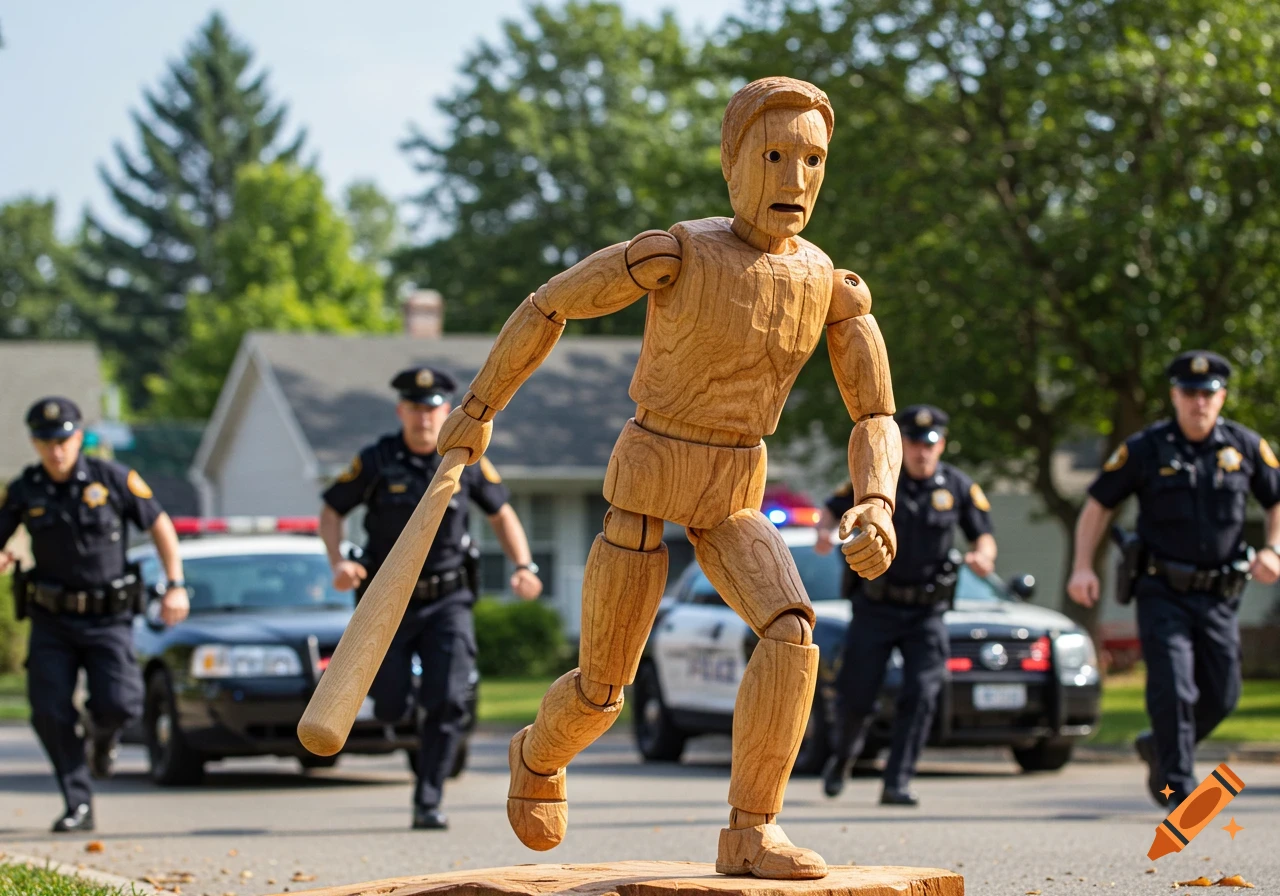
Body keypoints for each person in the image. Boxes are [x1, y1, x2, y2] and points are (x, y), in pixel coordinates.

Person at [431, 76, 901, 880]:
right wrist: (478, 408)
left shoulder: (831, 286)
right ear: (732, 162)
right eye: (775, 155)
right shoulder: (676, 252)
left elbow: (875, 415)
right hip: (650, 475)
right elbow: (551, 306)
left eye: (812, 160)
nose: (794, 179)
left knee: (791, 631)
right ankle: (538, 755)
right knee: (604, 692)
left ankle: (752, 831)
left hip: (734, 489)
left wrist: (877, 499)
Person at [319, 365, 543, 831]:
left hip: (448, 600)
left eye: (433, 408)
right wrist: (338, 561)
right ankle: (402, 716)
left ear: (446, 409)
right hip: (387, 606)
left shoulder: (464, 458)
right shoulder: (377, 460)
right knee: (391, 705)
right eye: (416, 408)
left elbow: (502, 514)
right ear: (402, 410)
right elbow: (332, 510)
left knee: (448, 700)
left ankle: (428, 797)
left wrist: (524, 566)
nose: (425, 417)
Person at [1067, 351, 1280, 808]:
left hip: (1221, 594)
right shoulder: (1146, 448)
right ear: (1174, 395)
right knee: (1175, 687)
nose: (1198, 402)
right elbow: (1097, 505)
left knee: (1224, 693)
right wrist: (1083, 565)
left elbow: (1276, 499)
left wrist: (1274, 548)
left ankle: (1157, 746)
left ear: (1222, 396)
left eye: (1208, 393)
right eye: (1189, 392)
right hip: (1161, 591)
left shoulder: (1244, 446)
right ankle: (1180, 789)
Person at [0, 397, 189, 833]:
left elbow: (159, 524)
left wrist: (175, 584)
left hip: (109, 618)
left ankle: (102, 739)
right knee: (48, 711)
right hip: (51, 619)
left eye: (63, 439)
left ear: (78, 437)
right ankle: (78, 802)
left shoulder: (112, 478)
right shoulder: (25, 488)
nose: (56, 449)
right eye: (46, 440)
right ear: (34, 442)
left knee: (122, 706)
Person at [816, 404, 996, 806]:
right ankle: (843, 757)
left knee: (922, 692)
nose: (921, 452)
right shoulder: (882, 483)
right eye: (913, 443)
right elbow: (831, 508)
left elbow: (983, 534)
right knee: (857, 695)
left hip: (926, 613)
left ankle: (897, 781)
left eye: (929, 444)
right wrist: (826, 533)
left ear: (941, 445)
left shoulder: (958, 487)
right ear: (902, 446)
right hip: (875, 608)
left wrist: (984, 556)